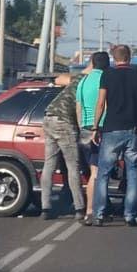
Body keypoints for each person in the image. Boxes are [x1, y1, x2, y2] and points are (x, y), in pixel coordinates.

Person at [91, 44, 137, 227]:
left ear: (114, 58)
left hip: (111, 130)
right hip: (133, 131)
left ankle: (99, 214)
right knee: (133, 172)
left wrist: (95, 127)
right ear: (129, 57)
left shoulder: (107, 75)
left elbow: (100, 102)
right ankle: (130, 215)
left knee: (103, 173)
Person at [38, 73, 85, 220]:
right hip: (64, 121)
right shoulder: (91, 84)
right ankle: (79, 208)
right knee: (73, 166)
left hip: (48, 115)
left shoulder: (78, 78)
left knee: (49, 164)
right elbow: (79, 109)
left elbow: (60, 79)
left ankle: (45, 208)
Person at [76, 51, 109, 222]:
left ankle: (91, 210)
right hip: (102, 128)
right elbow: (105, 104)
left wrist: (82, 127)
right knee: (100, 172)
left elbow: (79, 107)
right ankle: (96, 210)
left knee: (93, 172)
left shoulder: (83, 81)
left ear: (92, 63)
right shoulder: (107, 79)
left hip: (85, 129)